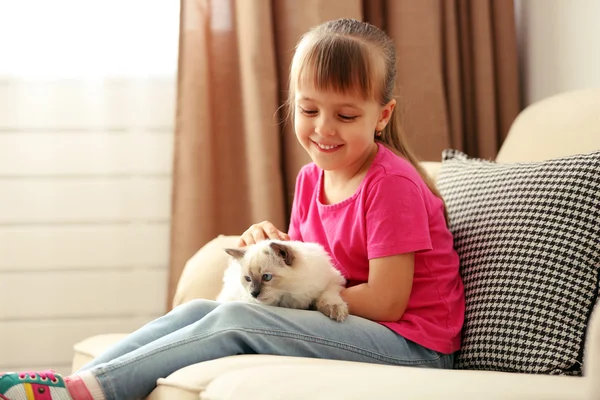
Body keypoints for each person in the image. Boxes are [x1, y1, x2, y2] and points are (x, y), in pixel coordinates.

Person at [0, 18, 464, 400]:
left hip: (413, 345)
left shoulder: (392, 185)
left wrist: (291, 300)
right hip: (358, 325)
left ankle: (92, 394)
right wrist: (277, 258)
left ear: (382, 115)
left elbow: (387, 300)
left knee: (241, 317)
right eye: (308, 110)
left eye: (345, 116)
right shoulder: (311, 180)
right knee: (200, 309)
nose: (324, 129)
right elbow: (314, 265)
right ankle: (72, 384)